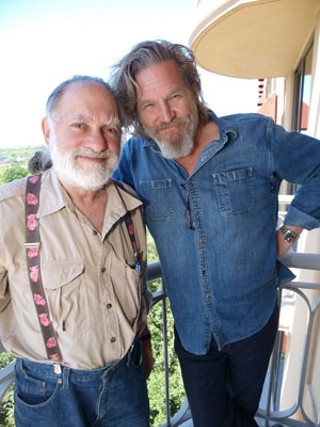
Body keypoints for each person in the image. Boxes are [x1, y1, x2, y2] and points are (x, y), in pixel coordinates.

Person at [110, 40, 320, 427]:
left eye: (174, 96)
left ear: (193, 88)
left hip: (253, 320)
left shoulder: (255, 137)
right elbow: (95, 209)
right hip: (192, 330)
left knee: (241, 413)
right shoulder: (134, 158)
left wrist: (289, 234)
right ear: (136, 114)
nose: (166, 115)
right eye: (148, 106)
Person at [0, 75, 153, 427]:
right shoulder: (10, 210)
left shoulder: (132, 208)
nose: (97, 141)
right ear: (47, 130)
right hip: (50, 394)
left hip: (128, 381)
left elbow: (137, 288)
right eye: (79, 124)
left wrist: (142, 340)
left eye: (110, 129)